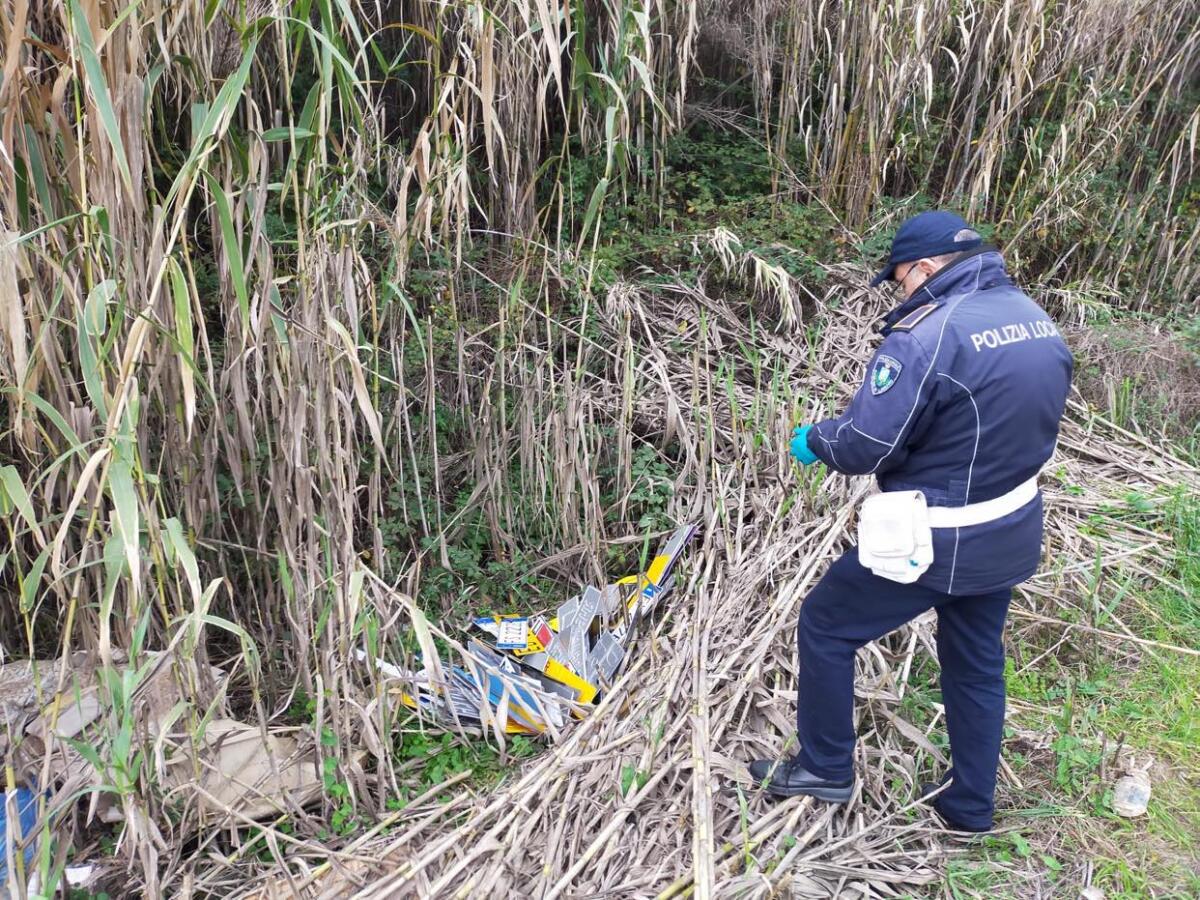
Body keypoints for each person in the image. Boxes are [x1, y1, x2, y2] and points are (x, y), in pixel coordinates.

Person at [749, 211, 1073, 832]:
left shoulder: (926, 336)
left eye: (899, 279)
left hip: (937, 539)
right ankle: (971, 805)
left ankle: (824, 766)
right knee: (976, 660)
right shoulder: (1033, 317)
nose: (900, 291)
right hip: (1009, 526)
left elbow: (867, 443)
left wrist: (816, 440)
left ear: (924, 269)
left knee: (825, 624)